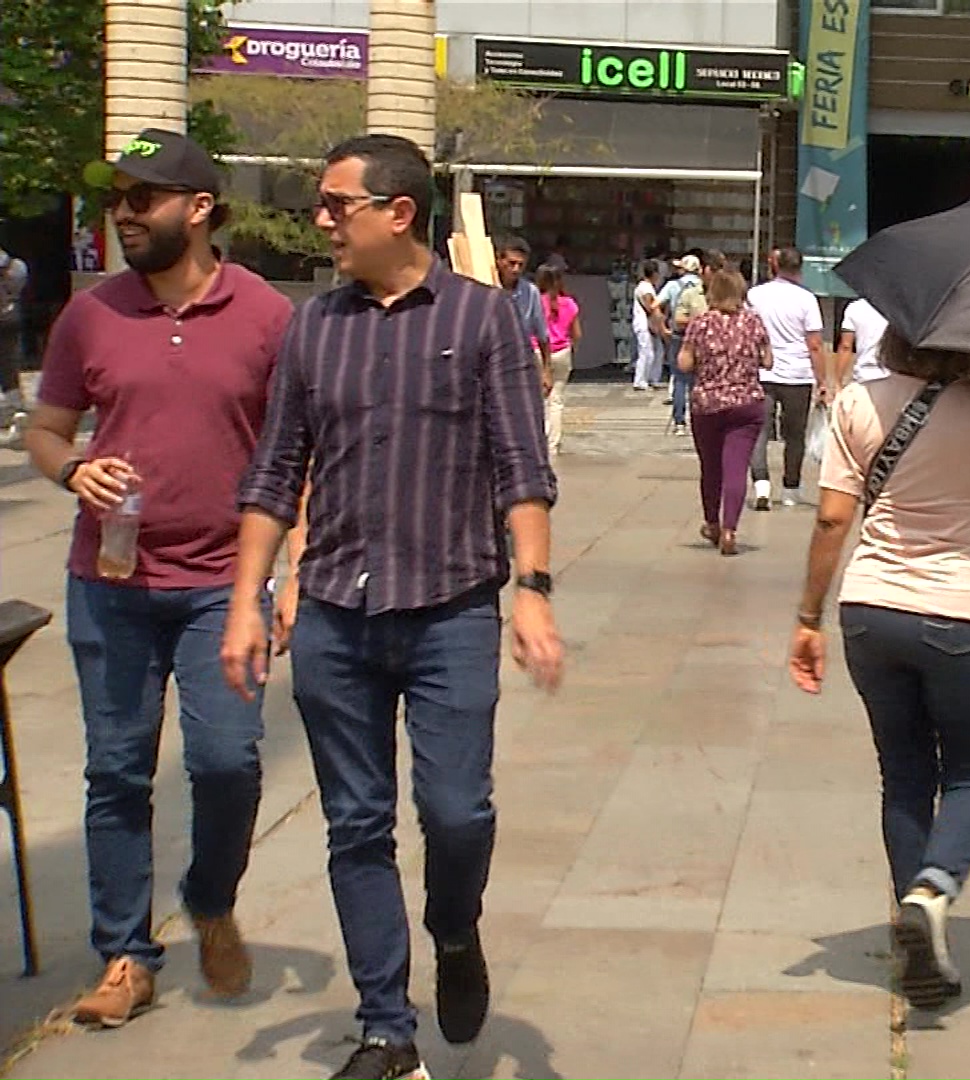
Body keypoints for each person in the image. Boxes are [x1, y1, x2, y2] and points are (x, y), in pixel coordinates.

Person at [220, 134, 563, 1080]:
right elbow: (273, 473)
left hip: (451, 610)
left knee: (456, 814)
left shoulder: (484, 319)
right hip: (334, 614)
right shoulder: (314, 326)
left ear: (398, 211)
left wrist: (531, 591)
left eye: (338, 204)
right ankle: (385, 1030)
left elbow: (523, 471)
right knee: (356, 825)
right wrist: (249, 600)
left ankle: (455, 930)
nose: (322, 220)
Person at [19, 128, 292, 1027]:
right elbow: (47, 430)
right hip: (111, 582)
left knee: (226, 763)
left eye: (143, 199)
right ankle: (124, 958)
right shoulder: (90, 316)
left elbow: (303, 455)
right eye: (117, 200)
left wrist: (291, 570)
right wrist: (71, 470)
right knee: (116, 772)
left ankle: (210, 898)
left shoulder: (265, 317)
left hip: (224, 584)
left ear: (199, 208)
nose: (123, 216)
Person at [788, 330, 970, 1011]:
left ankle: (917, 939)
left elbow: (832, 519)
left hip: (872, 610)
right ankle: (930, 895)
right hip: (966, 611)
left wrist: (808, 618)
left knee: (904, 774)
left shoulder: (857, 402)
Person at [680, 269, 772, 555]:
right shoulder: (754, 322)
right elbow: (768, 361)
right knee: (736, 467)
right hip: (747, 404)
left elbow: (684, 363)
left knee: (711, 467)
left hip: (707, 405)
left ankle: (712, 523)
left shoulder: (700, 323)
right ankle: (731, 529)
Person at [746, 247, 830, 510]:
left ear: (775, 266)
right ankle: (791, 488)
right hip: (798, 374)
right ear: (800, 268)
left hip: (762, 371)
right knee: (795, 435)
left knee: (759, 430)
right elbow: (815, 343)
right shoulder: (807, 300)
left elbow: (748, 331)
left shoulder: (755, 295)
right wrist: (822, 380)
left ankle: (761, 485)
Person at [493, 235, 552, 394]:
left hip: (518, 363)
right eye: (511, 263)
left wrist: (546, 371)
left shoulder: (530, 292)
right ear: (499, 260)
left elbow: (542, 335)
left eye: (521, 265)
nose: (516, 269)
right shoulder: (486, 287)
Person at [662, 252, 710, 437]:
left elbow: (655, 304)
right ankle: (699, 417)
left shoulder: (672, 285)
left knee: (680, 379)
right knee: (699, 380)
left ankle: (679, 422)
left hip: (680, 334)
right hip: (703, 337)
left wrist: (661, 327)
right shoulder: (704, 288)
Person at [537, 264, 580, 455]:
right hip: (562, 351)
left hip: (538, 351)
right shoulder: (569, 303)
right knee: (556, 401)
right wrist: (572, 348)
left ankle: (538, 439)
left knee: (538, 398)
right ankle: (553, 444)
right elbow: (577, 333)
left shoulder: (535, 301)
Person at [630, 258, 667, 392]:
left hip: (646, 324)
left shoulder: (647, 287)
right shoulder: (645, 288)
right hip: (644, 324)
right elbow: (650, 306)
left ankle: (651, 378)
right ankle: (641, 380)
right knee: (647, 352)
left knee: (655, 351)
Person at [0, 244, 27, 422]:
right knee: (9, 361)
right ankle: (16, 407)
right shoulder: (15, 265)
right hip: (10, 313)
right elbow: (20, 280)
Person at [838, 295, 891, 386]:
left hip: (862, 375)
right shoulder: (897, 310)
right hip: (890, 376)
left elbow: (845, 346)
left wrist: (837, 382)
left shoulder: (854, 307)